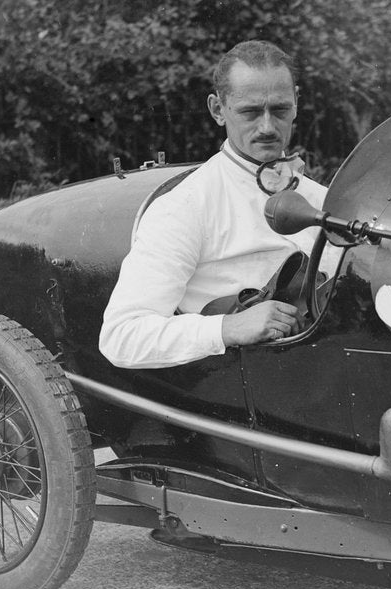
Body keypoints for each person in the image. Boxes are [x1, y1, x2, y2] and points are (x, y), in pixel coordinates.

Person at [100, 41, 329, 370]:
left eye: (279, 110)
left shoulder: (323, 199)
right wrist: (228, 328)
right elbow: (121, 337)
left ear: (296, 104)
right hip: (251, 386)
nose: (267, 127)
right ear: (218, 109)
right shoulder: (186, 206)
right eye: (250, 112)